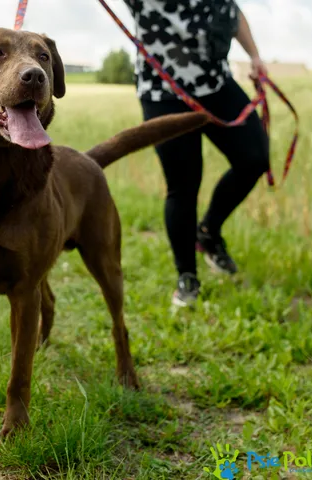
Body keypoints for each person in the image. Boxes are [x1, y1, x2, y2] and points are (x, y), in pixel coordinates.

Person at [122, 0, 269, 306]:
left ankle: (209, 232)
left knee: (254, 157)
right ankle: (187, 275)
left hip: (217, 84)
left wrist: (254, 55)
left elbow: (231, 10)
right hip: (164, 92)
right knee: (184, 186)